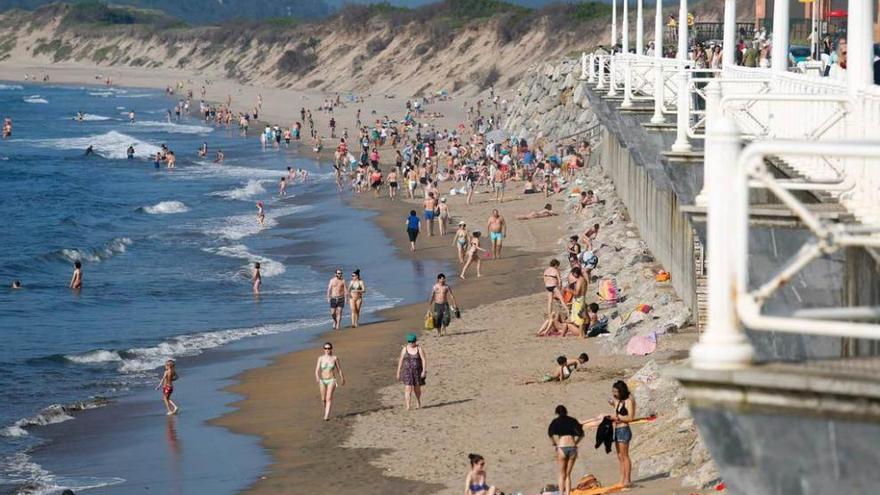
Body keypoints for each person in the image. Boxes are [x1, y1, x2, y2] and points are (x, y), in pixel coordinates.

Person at [547, 405, 583, 495]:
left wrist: (554, 443)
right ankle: (567, 493)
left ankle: (561, 493)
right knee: (568, 474)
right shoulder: (573, 420)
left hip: (562, 446)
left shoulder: (555, 421)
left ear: (557, 413)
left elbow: (550, 433)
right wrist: (576, 442)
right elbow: (581, 434)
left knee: (561, 473)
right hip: (572, 446)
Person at [610, 380, 635, 487]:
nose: (614, 393)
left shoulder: (629, 401)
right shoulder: (619, 401)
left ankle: (627, 480)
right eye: (613, 391)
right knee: (619, 456)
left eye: (616, 391)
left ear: (621, 391)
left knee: (625, 456)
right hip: (617, 429)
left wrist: (618, 417)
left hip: (624, 429)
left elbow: (630, 417)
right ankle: (622, 479)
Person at [396, 333, 426, 410]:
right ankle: (408, 406)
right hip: (407, 372)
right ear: (408, 341)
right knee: (408, 389)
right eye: (410, 341)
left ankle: (418, 401)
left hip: (417, 372)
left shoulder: (419, 349)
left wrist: (424, 371)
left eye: (413, 341)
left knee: (417, 389)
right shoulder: (404, 349)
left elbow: (423, 360)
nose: (411, 343)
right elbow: (401, 360)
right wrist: (398, 372)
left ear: (415, 341)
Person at [315, 342, 345, 420]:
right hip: (322, 381)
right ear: (324, 349)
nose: (327, 350)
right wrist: (317, 377)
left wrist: (342, 378)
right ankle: (324, 403)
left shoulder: (334, 358)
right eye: (325, 348)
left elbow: (339, 369)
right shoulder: (320, 358)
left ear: (331, 349)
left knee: (328, 398)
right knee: (323, 399)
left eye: (328, 348)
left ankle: (326, 416)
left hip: (332, 380)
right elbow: (317, 369)